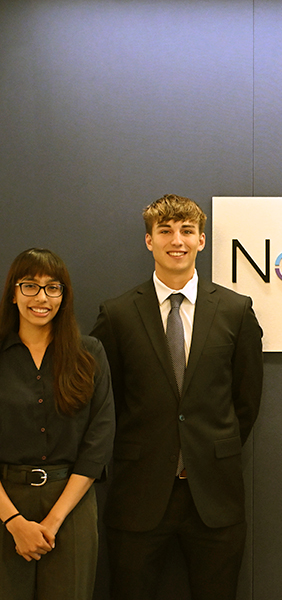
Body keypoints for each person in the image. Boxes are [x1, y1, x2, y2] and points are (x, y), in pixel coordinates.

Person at [91, 194, 263, 600]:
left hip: (214, 495)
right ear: (148, 240)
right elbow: (106, 402)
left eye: (187, 230)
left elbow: (246, 399)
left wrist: (211, 448)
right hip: (138, 494)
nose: (177, 240)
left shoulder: (235, 310)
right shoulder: (117, 314)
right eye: (165, 231)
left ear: (201, 240)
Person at [0, 248, 115, 600]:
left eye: (53, 288)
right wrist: (14, 522)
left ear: (64, 296)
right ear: (14, 293)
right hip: (5, 503)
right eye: (30, 286)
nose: (42, 298)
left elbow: (98, 441)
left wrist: (52, 521)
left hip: (70, 504)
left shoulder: (89, 353)